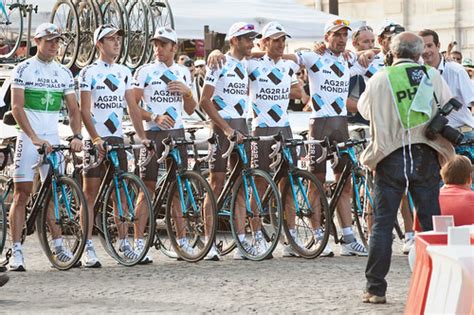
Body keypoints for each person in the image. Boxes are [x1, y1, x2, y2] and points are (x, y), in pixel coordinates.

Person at [358, 32, 455, 303]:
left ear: (391, 52)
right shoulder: (431, 75)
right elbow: (448, 106)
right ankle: (440, 283)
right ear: (419, 53)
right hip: (425, 153)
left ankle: (375, 288)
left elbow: (365, 111)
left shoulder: (379, 78)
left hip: (390, 155)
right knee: (431, 222)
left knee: (383, 224)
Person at [9, 23, 83, 271]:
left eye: (57, 41)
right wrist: (32, 137)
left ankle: (59, 246)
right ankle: (17, 250)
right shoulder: (23, 69)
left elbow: (74, 110)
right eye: (49, 40)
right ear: (36, 41)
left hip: (52, 137)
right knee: (22, 194)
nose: (53, 45)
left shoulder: (63, 73)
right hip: (29, 138)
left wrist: (76, 135)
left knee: (53, 193)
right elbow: (17, 108)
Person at [295, 18, 368, 257]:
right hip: (319, 124)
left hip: (341, 125)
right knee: (315, 182)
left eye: (344, 35)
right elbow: (290, 57)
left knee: (344, 181)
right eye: (336, 35)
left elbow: (375, 51)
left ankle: (348, 237)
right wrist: (310, 48)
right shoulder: (314, 57)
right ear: (326, 37)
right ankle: (317, 234)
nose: (340, 39)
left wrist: (365, 51)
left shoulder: (347, 59)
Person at [78, 24, 150, 268]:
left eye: (118, 39)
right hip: (95, 138)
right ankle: (86, 246)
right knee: (90, 194)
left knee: (121, 192)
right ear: (99, 44)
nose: (116, 43)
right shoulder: (88, 72)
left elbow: (132, 107)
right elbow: (84, 111)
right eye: (111, 39)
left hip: (117, 137)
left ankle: (124, 242)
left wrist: (142, 136)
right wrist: (96, 138)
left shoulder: (124, 71)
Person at [133, 27, 196, 261]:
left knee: (178, 188)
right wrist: (153, 117)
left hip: (177, 132)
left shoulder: (182, 72)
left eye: (163, 44)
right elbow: (133, 107)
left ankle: (182, 242)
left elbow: (191, 109)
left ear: (174, 48)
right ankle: (139, 242)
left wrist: (188, 93)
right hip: (153, 133)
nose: (158, 48)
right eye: (156, 44)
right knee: (147, 188)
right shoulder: (145, 71)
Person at [199, 22, 259, 260]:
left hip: (242, 126)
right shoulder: (218, 62)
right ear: (234, 40)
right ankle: (209, 241)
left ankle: (241, 240)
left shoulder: (246, 64)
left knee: (242, 185)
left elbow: (274, 53)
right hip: (222, 129)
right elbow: (205, 101)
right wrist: (225, 129)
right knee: (216, 183)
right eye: (247, 39)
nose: (252, 43)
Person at [246, 21, 302, 257]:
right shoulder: (252, 63)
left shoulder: (288, 65)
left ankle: (290, 235)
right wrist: (216, 52)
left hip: (285, 128)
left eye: (282, 40)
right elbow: (240, 53)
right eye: (275, 40)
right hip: (261, 127)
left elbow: (300, 93)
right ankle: (256, 234)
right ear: (264, 41)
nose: (280, 44)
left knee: (287, 183)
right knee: (260, 182)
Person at [419, 29, 474, 131]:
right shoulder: (417, 73)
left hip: (461, 136)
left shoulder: (456, 70)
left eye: (429, 45)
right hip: (432, 137)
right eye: (422, 47)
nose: (426, 51)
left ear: (438, 46)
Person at [439, 155, 474, 226]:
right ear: (469, 179)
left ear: (443, 178)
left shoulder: (428, 199)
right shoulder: (472, 197)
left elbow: (418, 233)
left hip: (435, 236)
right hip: (467, 236)